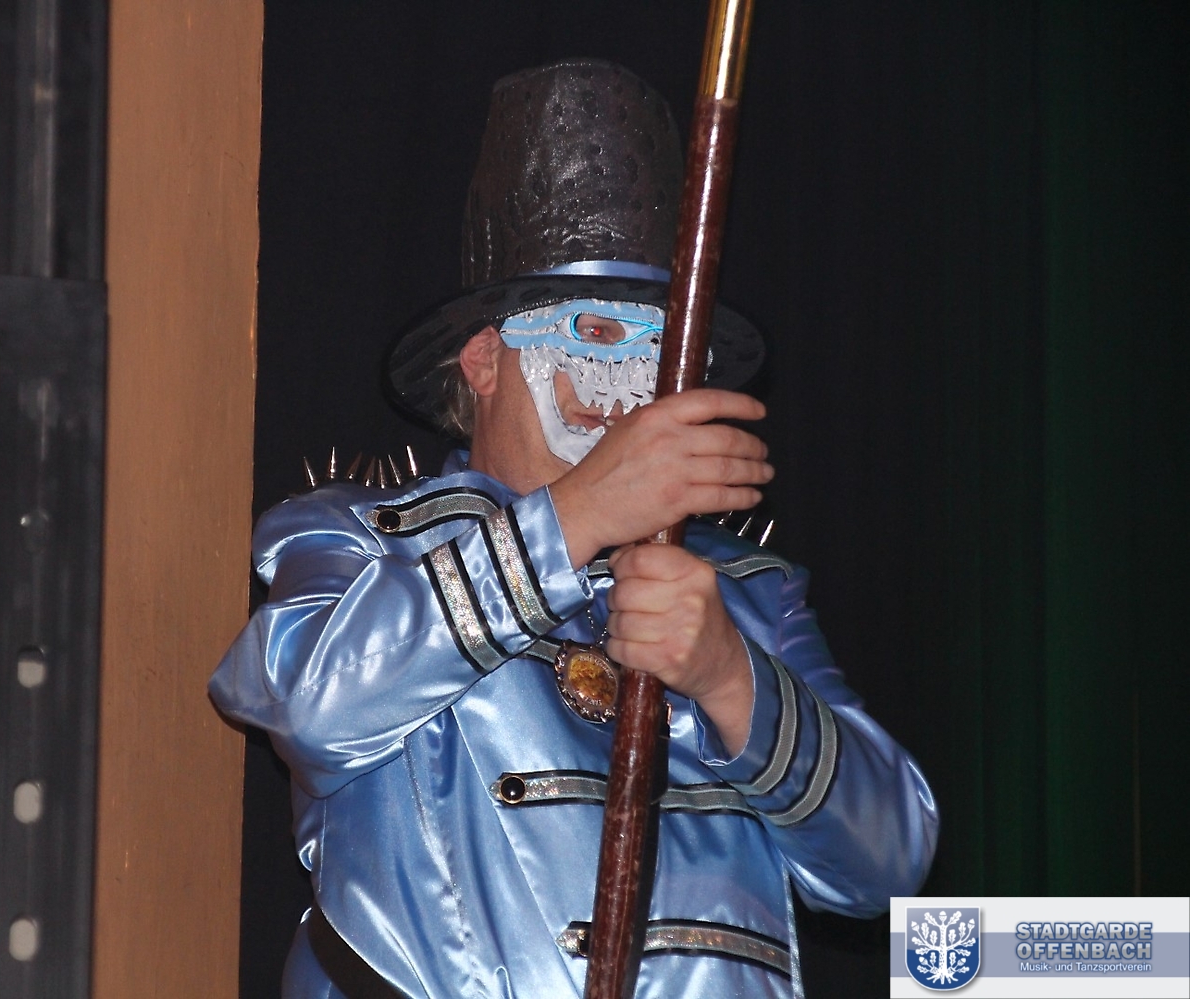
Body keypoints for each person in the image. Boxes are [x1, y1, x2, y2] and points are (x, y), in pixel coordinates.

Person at [211, 59, 937, 998]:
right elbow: (310, 704)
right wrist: (577, 516)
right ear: (484, 360)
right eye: (594, 334)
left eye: (658, 346)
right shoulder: (359, 541)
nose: (627, 383)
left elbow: (889, 864)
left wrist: (729, 676)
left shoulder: (748, 593)